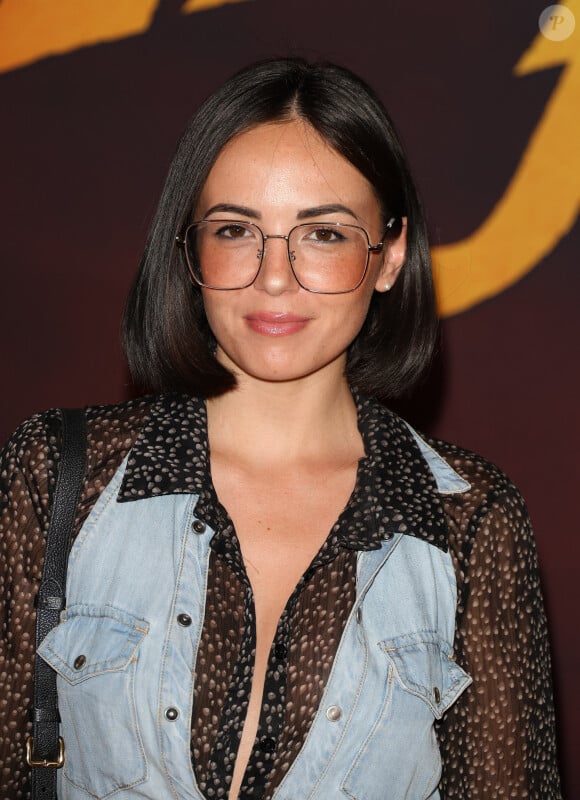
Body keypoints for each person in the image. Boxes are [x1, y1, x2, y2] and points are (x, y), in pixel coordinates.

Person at [0, 57, 561, 799]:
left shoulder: (468, 519)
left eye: (322, 234)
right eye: (236, 229)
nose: (274, 275)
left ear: (388, 255)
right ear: (189, 250)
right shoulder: (60, 474)